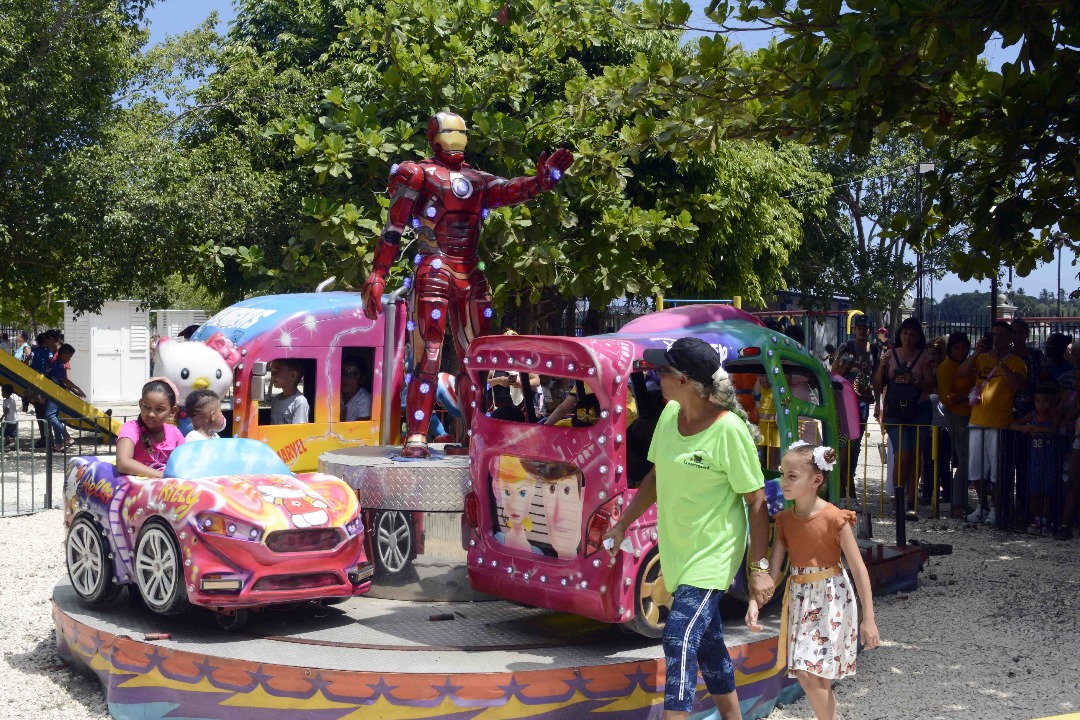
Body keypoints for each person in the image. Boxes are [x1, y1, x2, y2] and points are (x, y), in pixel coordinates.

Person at [359, 111, 573, 458]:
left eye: (461, 131)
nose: (457, 138)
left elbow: (510, 189)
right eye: (451, 131)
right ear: (434, 136)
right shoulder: (416, 173)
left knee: (476, 360)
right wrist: (378, 273)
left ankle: (474, 434)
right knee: (430, 354)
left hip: (470, 271)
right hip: (435, 265)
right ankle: (417, 435)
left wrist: (543, 180)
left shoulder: (477, 179)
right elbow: (393, 229)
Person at [603, 337, 773, 720]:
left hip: (713, 557)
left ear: (684, 381)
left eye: (662, 371)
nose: (655, 378)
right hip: (678, 552)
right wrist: (622, 526)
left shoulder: (728, 430)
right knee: (709, 644)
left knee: (678, 639)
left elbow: (757, 501)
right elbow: (656, 476)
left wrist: (759, 569)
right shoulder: (668, 416)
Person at [745, 442, 880, 720]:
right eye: (783, 474)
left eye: (792, 476)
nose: (784, 481)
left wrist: (869, 619)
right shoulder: (785, 520)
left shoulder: (834, 518)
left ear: (817, 480)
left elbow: (858, 569)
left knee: (811, 672)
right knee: (811, 674)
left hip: (832, 599)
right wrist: (754, 603)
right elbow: (772, 576)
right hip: (798, 598)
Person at [957, 321, 1026, 525]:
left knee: (997, 470)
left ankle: (996, 508)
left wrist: (1002, 364)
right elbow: (962, 373)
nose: (996, 339)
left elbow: (1016, 384)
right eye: (994, 335)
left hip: (999, 422)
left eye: (1001, 335)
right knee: (976, 469)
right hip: (977, 420)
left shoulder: (1016, 362)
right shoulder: (983, 358)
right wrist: (976, 353)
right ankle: (982, 506)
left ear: (1010, 338)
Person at [873, 317, 934, 520]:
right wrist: (882, 367)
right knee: (902, 453)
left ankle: (910, 501)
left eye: (912, 334)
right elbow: (878, 384)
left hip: (919, 409)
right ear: (900, 335)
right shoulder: (889, 355)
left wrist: (914, 380)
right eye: (905, 333)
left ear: (918, 337)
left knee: (916, 455)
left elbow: (930, 384)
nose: (908, 337)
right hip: (896, 410)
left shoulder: (924, 357)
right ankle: (898, 498)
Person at [836, 316, 881, 508]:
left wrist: (873, 399)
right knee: (841, 453)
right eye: (859, 328)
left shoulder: (874, 351)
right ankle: (843, 493)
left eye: (866, 328)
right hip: (841, 409)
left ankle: (848, 493)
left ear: (870, 330)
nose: (862, 331)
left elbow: (872, 385)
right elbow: (835, 372)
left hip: (858, 409)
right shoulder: (846, 349)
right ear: (854, 330)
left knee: (853, 450)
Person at [1012, 383, 1059, 534]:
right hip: (1034, 460)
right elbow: (1012, 424)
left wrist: (1033, 428)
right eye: (1038, 401)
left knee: (1046, 492)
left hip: (1049, 459)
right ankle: (1037, 518)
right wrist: (1022, 427)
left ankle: (1044, 520)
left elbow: (1053, 429)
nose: (1041, 404)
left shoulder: (1054, 415)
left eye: (1045, 401)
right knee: (1033, 491)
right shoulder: (1031, 415)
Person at [115, 379, 186, 477]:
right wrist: (162, 476)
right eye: (147, 407)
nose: (151, 414)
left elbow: (186, 463)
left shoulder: (175, 434)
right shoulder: (132, 429)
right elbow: (123, 463)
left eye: (159, 409)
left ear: (172, 411)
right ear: (140, 404)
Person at [938, 332, 975, 516]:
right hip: (956, 416)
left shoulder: (970, 364)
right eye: (956, 347)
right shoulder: (946, 367)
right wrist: (964, 398)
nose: (961, 351)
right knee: (965, 459)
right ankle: (957, 503)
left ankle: (961, 502)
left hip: (972, 415)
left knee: (969, 459)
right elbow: (945, 397)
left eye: (963, 347)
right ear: (950, 349)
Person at [490, 456, 542, 554]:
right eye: (507, 492)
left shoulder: (538, 553)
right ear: (496, 490)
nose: (514, 504)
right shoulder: (497, 539)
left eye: (522, 493)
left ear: (533, 490)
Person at [43, 343, 84, 449]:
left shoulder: (55, 364)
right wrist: (77, 389)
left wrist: (76, 391)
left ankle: (65, 438)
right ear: (64, 354)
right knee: (53, 416)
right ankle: (59, 443)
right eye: (69, 356)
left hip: (55, 392)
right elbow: (64, 381)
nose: (69, 359)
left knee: (50, 415)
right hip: (55, 392)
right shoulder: (58, 365)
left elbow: (62, 382)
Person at [268, 359, 310, 424]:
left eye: (277, 372)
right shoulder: (276, 400)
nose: (273, 375)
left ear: (292, 376)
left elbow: (298, 431)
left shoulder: (299, 402)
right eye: (272, 372)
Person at [2, 384, 18, 449]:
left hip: (10, 420)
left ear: (6, 392)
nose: (2, 393)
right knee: (13, 434)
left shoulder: (6, 401)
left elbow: (6, 411)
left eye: (2, 392)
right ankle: (15, 445)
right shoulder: (12, 400)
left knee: (5, 433)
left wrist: (1, 418)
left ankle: (10, 442)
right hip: (15, 419)